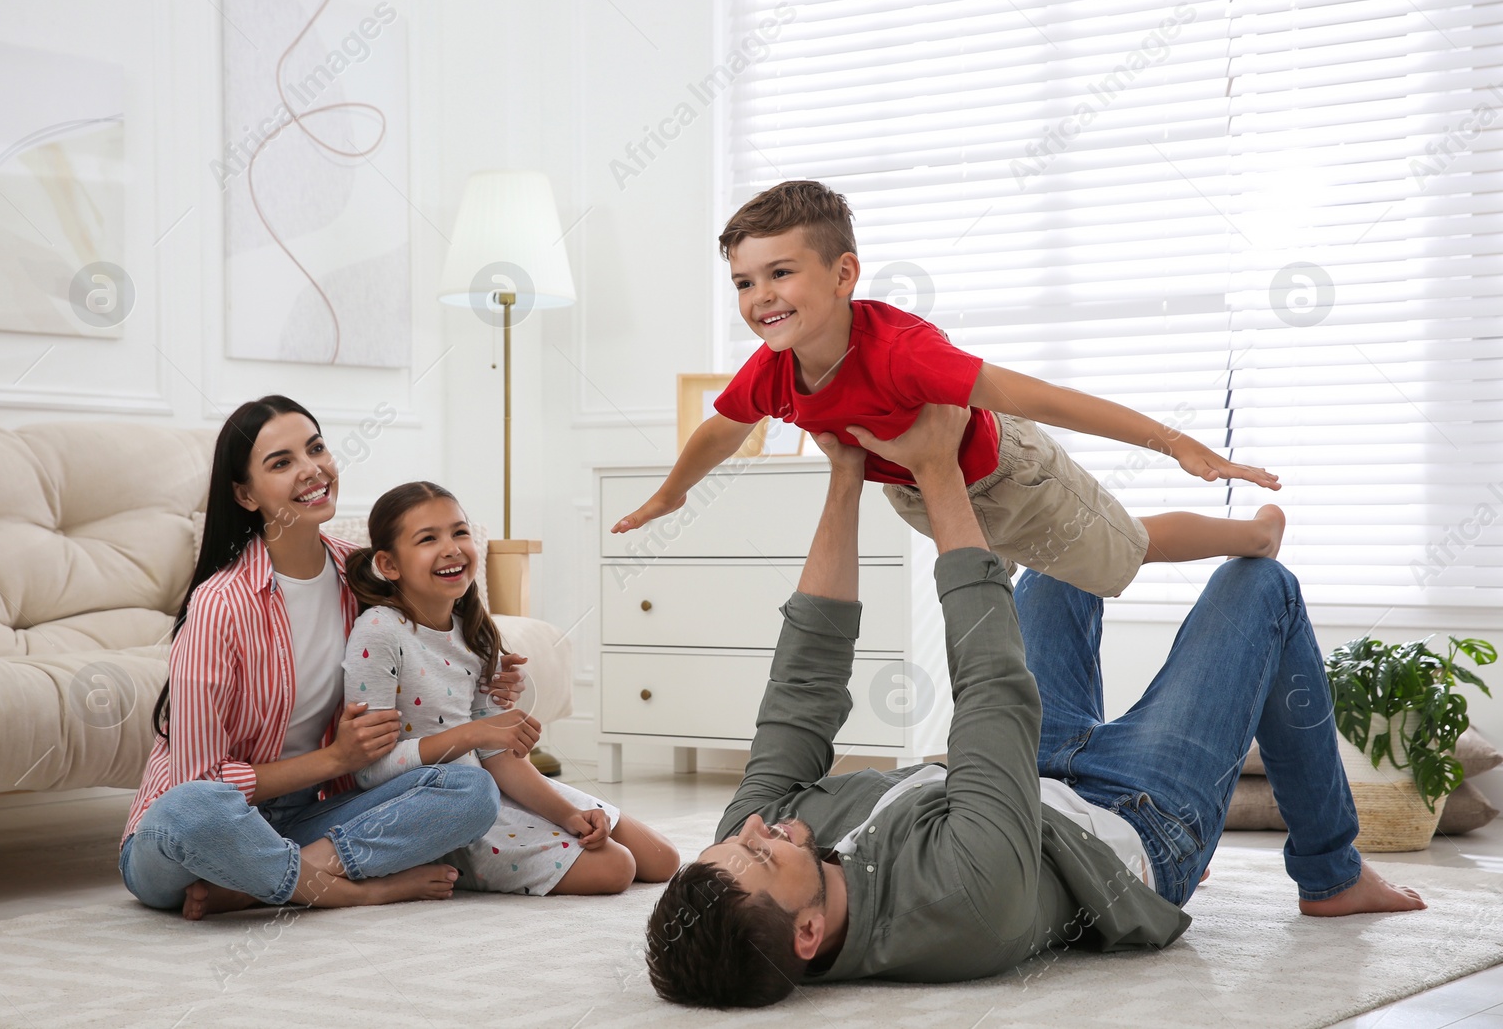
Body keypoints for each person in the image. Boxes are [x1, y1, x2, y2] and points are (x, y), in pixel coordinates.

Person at [643, 402, 1424, 1009]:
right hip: (1140, 818)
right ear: (809, 933)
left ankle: (1217, 532)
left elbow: (801, 684)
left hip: (1034, 775)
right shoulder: (960, 905)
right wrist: (941, 472)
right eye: (757, 855)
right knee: (1260, 588)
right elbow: (992, 690)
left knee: (1059, 563)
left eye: (736, 841)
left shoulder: (752, 849)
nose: (751, 829)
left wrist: (846, 472)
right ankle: (1331, 871)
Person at [613, 179, 1285, 599]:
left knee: (1130, 549)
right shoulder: (771, 368)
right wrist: (672, 493)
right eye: (743, 282)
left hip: (1011, 480)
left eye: (780, 273)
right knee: (987, 602)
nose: (760, 298)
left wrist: (1174, 442)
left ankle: (1255, 536)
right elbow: (721, 430)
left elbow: (1039, 398)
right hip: (922, 493)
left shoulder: (904, 354)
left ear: (844, 272)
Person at [119, 396, 525, 920]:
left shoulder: (360, 575)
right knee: (197, 809)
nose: (312, 470)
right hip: (186, 836)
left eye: (315, 448)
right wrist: (334, 760)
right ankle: (354, 890)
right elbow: (198, 782)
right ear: (245, 495)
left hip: (306, 819)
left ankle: (255, 884)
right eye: (281, 462)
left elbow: (427, 649)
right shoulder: (221, 603)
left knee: (470, 789)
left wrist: (486, 676)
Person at [341, 481, 680, 895]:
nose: (451, 547)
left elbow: (497, 756)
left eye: (459, 532)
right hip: (441, 810)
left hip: (496, 787)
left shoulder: (475, 632)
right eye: (428, 538)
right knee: (615, 869)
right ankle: (433, 858)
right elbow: (369, 772)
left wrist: (568, 814)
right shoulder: (378, 632)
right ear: (389, 565)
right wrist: (471, 734)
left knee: (663, 859)